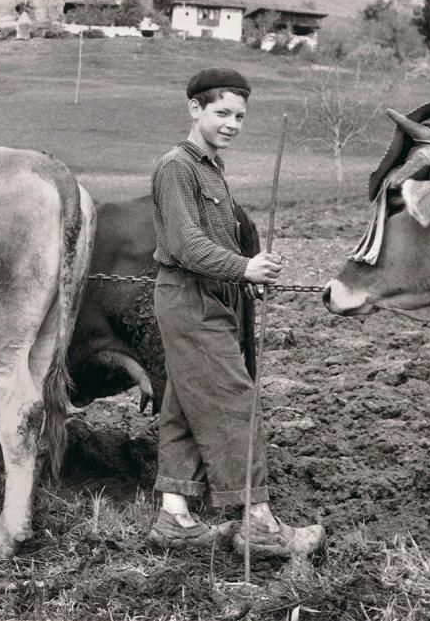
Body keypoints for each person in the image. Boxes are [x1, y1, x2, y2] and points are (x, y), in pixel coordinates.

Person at [147, 68, 325, 557]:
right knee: (234, 403)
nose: (232, 124)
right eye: (222, 112)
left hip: (213, 296)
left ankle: (174, 517)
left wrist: (249, 276)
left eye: (240, 116)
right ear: (195, 109)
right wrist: (244, 266)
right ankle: (260, 526)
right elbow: (185, 245)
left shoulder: (212, 168)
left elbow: (217, 241)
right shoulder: (176, 168)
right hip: (189, 296)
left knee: (183, 404)